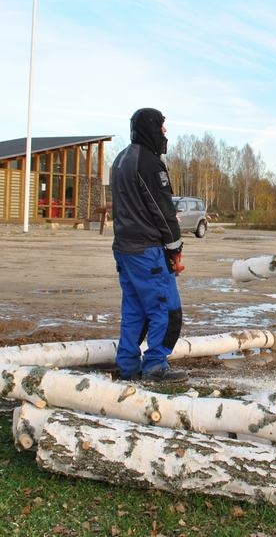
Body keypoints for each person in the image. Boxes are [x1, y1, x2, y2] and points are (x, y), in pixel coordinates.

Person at [110, 108, 188, 383]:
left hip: (124, 249)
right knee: (166, 309)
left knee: (134, 310)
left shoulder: (120, 160)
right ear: (150, 128)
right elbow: (162, 210)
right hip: (148, 251)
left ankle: (128, 366)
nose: (165, 132)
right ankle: (155, 364)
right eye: (162, 127)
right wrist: (174, 249)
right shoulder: (149, 163)